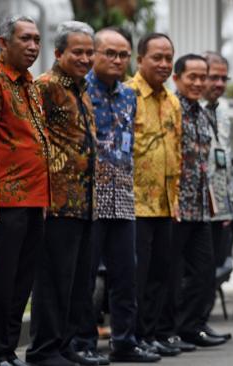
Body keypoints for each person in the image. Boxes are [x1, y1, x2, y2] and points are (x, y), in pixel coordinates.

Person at [71, 28, 161, 363]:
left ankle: (125, 340)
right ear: (93, 54)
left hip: (123, 194)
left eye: (123, 55)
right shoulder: (79, 91)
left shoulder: (128, 95)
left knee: (127, 274)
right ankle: (82, 342)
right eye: (110, 53)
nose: (118, 60)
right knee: (86, 275)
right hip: (89, 197)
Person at [26, 21, 100, 366]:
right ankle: (44, 350)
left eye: (89, 52)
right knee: (54, 281)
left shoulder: (82, 89)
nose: (86, 58)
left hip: (85, 202)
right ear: (58, 53)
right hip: (57, 202)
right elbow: (34, 144)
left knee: (77, 281)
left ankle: (66, 345)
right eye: (78, 52)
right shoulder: (45, 87)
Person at [0, 15, 49, 366]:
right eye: (25, 39)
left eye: (37, 40)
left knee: (22, 280)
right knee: (1, 280)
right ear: (3, 43)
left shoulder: (29, 85)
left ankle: (8, 349)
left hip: (33, 197)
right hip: (6, 199)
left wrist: (44, 197)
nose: (33, 47)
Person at [155, 54, 227, 350]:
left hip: (200, 205)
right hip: (174, 206)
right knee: (170, 274)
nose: (199, 83)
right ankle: (166, 330)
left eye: (203, 77)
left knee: (204, 270)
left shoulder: (202, 111)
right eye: (192, 77)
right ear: (177, 78)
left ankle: (191, 326)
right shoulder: (171, 108)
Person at [125, 33, 182, 357]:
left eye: (167, 58)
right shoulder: (128, 95)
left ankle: (149, 335)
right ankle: (131, 337)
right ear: (140, 59)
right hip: (135, 203)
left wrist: (174, 199)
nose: (163, 64)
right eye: (156, 57)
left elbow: (176, 152)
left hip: (165, 203)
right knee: (136, 277)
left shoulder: (171, 101)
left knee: (160, 275)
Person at [199, 51, 233, 341]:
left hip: (219, 203)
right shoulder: (189, 106)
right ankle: (185, 324)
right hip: (195, 203)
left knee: (209, 268)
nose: (219, 83)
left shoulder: (221, 109)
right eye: (214, 77)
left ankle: (200, 321)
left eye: (224, 78)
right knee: (193, 269)